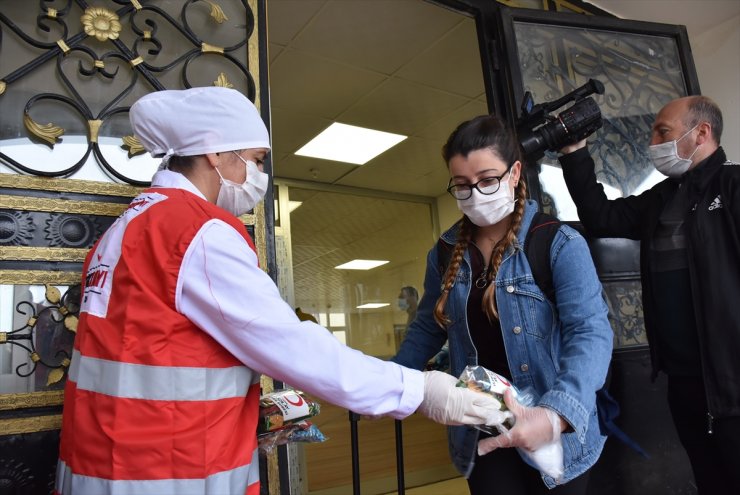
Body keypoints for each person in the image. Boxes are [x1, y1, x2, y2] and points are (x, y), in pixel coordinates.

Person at [53, 87, 506, 495]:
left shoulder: (126, 227)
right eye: (256, 158)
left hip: (102, 463)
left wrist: (248, 405)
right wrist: (419, 388)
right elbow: (294, 347)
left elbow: (153, 353)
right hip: (170, 471)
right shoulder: (197, 231)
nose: (258, 173)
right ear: (215, 152)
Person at [393, 114, 613, 494]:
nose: (476, 193)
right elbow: (430, 327)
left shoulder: (557, 243)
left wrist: (556, 414)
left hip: (552, 429)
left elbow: (590, 331)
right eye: (462, 185)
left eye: (488, 180)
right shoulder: (446, 253)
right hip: (483, 431)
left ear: (514, 174)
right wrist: (386, 382)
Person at [558, 95, 740, 493]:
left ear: (702, 133)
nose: (653, 141)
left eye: (664, 132)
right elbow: (600, 217)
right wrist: (574, 150)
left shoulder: (734, 185)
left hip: (732, 384)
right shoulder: (661, 198)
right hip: (684, 384)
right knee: (710, 482)